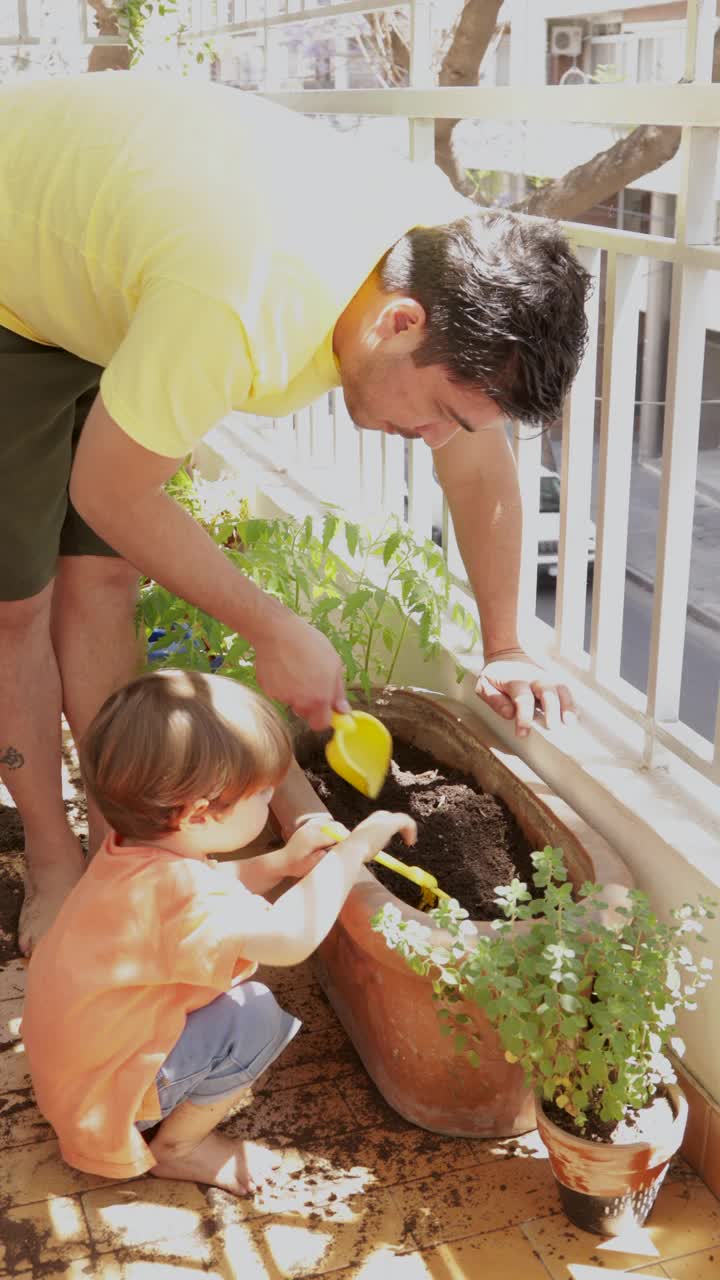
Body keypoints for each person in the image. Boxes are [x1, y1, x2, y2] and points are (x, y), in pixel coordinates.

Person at [0, 72, 590, 953]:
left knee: (108, 572)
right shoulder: (243, 302)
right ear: (398, 321)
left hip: (125, 270)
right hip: (17, 280)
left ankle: (129, 854)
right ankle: (52, 861)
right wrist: (273, 625)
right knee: (16, 606)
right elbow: (109, 491)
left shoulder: (446, 270)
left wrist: (505, 642)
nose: (432, 436)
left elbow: (477, 471)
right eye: (438, 412)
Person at [21, 668, 417, 1194]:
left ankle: (156, 1107)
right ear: (200, 814)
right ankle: (179, 1149)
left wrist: (278, 863)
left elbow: (208, 889)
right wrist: (352, 854)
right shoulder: (181, 891)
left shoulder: (132, 851)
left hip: (76, 1072)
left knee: (234, 1004)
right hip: (103, 1102)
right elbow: (290, 937)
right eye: (264, 794)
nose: (271, 800)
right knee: (251, 1015)